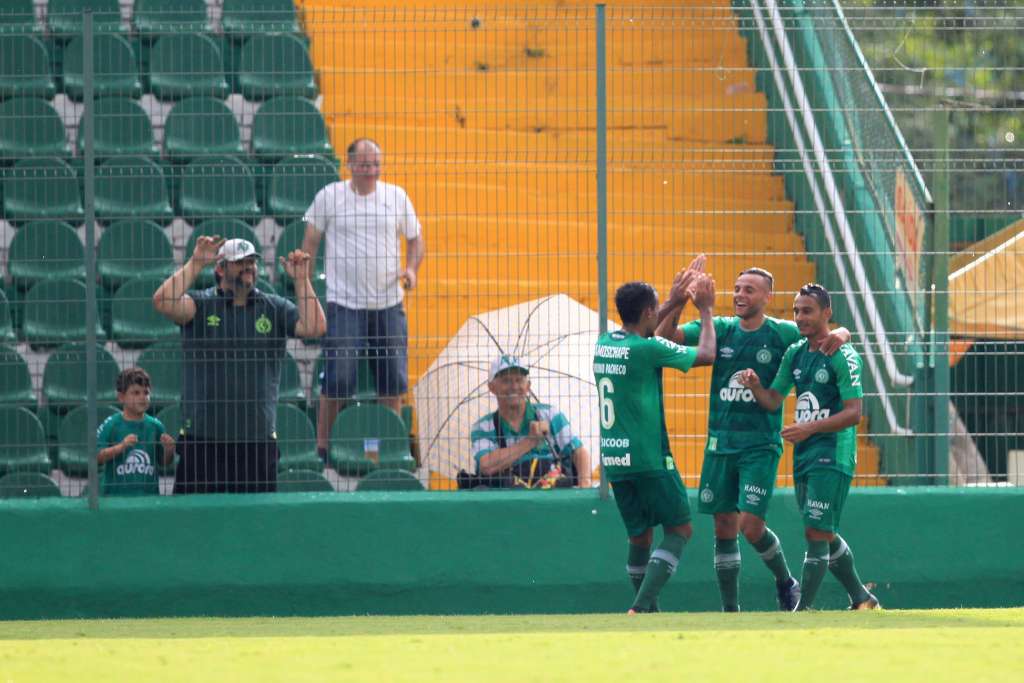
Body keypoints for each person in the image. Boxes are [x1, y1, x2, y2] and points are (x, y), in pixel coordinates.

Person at [655, 259, 851, 612]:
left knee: (750, 525)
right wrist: (682, 300)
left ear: (767, 296)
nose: (740, 295)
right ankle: (731, 610)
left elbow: (822, 332)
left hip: (760, 444)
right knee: (724, 525)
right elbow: (665, 337)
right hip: (720, 443)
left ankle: (784, 581)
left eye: (749, 289)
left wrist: (842, 333)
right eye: (737, 288)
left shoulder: (782, 333)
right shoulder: (721, 328)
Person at [739, 283, 880, 610]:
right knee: (823, 531)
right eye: (796, 311)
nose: (800, 317)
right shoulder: (796, 353)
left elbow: (854, 413)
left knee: (816, 532)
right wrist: (757, 387)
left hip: (834, 453)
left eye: (807, 311)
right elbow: (774, 400)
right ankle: (861, 596)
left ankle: (802, 611)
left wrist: (809, 428)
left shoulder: (843, 355)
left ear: (826, 313)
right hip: (805, 453)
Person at [152, 236, 326, 493]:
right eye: (239, 262)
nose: (248, 267)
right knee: (196, 524)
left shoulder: (273, 306)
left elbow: (315, 327)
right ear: (220, 268)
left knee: (255, 525)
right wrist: (196, 262)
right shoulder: (200, 304)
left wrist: (301, 280)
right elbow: (162, 302)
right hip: (202, 440)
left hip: (256, 441)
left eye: (251, 262)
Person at [594, 276, 716, 614]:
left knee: (640, 537)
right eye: (657, 306)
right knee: (680, 529)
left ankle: (649, 613)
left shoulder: (605, 342)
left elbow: (646, 331)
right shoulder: (646, 350)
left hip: (616, 459)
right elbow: (706, 354)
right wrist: (705, 310)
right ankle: (640, 607)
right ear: (648, 311)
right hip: (648, 457)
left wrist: (675, 301)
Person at [302, 138, 426, 462]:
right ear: (350, 165)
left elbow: (416, 240)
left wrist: (411, 270)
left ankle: (392, 446)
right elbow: (310, 242)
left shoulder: (396, 197)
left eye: (375, 165)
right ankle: (323, 448)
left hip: (388, 302)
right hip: (343, 303)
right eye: (364, 164)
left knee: (392, 381)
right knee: (338, 379)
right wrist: (306, 284)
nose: (370, 171)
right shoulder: (329, 196)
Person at [468, 355, 591, 489]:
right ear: (492, 387)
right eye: (506, 380)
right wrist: (530, 441)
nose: (514, 386)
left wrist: (585, 482)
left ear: (528, 386)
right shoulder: (483, 427)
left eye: (519, 380)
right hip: (509, 501)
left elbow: (578, 451)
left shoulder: (550, 414)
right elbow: (487, 466)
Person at [96, 368, 175, 496]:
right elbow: (96, 457)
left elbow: (164, 463)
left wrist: (169, 450)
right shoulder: (111, 424)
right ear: (121, 397)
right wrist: (121, 446)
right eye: (136, 393)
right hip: (115, 499)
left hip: (148, 500)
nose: (143, 397)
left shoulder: (156, 426)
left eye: (146, 392)